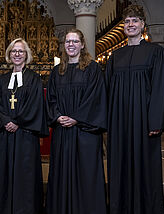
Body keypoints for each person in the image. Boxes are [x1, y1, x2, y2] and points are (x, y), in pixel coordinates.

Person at [106, 5, 164, 214]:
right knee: (120, 167)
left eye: (135, 21)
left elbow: (160, 88)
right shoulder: (115, 57)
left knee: (145, 169)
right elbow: (108, 90)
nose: (130, 24)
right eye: (127, 21)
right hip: (119, 122)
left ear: (142, 25)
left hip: (144, 122)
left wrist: (155, 120)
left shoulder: (155, 53)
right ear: (123, 26)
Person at [45, 29, 108, 214]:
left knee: (86, 175)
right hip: (63, 133)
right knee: (61, 175)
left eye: (74, 41)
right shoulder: (58, 71)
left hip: (85, 133)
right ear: (64, 45)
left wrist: (76, 118)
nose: (71, 44)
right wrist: (57, 116)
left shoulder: (92, 69)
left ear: (82, 44)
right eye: (67, 42)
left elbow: (95, 98)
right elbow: (51, 99)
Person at [0, 38, 49, 214]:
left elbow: (35, 104)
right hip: (5, 136)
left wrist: (17, 122)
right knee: (4, 174)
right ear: (9, 54)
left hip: (25, 135)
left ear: (26, 55)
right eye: (14, 51)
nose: (17, 54)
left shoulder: (34, 79)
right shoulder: (1, 80)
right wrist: (6, 121)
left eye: (21, 51)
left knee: (26, 176)